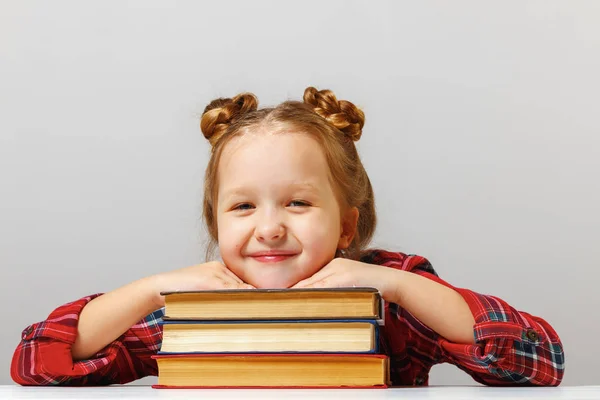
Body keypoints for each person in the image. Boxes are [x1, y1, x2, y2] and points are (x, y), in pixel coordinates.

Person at [11, 87, 564, 387]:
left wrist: (397, 286)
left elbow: (539, 359)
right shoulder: (196, 310)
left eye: (298, 203)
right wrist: (155, 289)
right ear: (216, 225)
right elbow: (38, 360)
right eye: (243, 206)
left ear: (347, 224)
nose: (270, 226)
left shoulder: (388, 300)